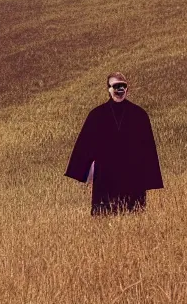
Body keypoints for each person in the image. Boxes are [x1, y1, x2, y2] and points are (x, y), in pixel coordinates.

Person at [65, 72, 163, 215]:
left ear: (127, 89)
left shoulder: (139, 115)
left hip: (132, 175)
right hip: (106, 176)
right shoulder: (97, 115)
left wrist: (149, 178)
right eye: (116, 86)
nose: (119, 90)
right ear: (109, 89)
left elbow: (148, 149)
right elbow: (85, 145)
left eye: (123, 86)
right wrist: (82, 171)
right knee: (104, 215)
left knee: (133, 215)